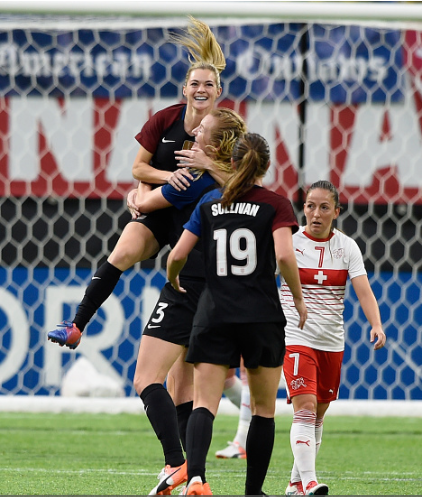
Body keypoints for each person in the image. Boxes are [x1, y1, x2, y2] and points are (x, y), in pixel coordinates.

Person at [47, 15, 225, 350]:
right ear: (185, 89)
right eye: (195, 84)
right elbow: (138, 168)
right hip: (162, 206)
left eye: (208, 84)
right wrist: (159, 182)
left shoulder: (226, 130)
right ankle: (77, 324)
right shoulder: (164, 119)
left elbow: (240, 179)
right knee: (122, 251)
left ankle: (227, 366)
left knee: (203, 297)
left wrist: (207, 163)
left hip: (201, 220)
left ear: (219, 90)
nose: (201, 90)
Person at [167, 133, 307, 496]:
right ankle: (253, 491)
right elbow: (287, 257)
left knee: (203, 403)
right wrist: (299, 298)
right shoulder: (276, 204)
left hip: (214, 313)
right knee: (263, 409)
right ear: (266, 166)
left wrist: (172, 277)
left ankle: (196, 478)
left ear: (231, 163)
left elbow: (176, 255)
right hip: (261, 315)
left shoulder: (211, 203)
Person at [131, 108, 247, 495]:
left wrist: (138, 192)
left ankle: (175, 463)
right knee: (186, 390)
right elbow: (253, 187)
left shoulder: (194, 179)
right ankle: (197, 479)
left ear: (214, 145)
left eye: (202, 131)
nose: (193, 132)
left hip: (186, 283)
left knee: (146, 378)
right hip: (222, 290)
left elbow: (144, 205)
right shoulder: (241, 185)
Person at [281, 180, 387, 496]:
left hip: (331, 342)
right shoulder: (289, 243)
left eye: (324, 207)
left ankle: (295, 483)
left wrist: (376, 324)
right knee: (305, 408)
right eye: (310, 206)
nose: (315, 213)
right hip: (295, 337)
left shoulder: (347, 247)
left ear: (336, 212)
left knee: (318, 414)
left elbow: (363, 289)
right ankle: (311, 481)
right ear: (303, 209)